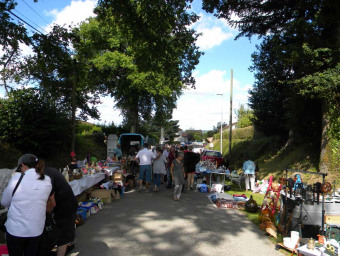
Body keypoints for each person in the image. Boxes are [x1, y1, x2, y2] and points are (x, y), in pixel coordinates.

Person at [1, 154, 52, 256]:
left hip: (16, 230)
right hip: (36, 230)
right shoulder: (47, 179)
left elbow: (4, 202)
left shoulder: (17, 178)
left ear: (23, 166)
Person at [41, 166, 78, 256]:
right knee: (59, 232)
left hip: (66, 206)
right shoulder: (46, 171)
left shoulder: (46, 177)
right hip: (64, 203)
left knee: (63, 235)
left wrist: (46, 214)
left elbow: (51, 203)